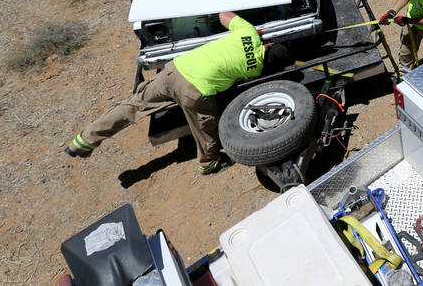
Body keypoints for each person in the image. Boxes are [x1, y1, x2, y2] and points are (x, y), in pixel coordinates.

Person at [65, 12, 286, 175]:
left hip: (175, 69)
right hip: (194, 91)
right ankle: (209, 163)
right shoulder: (254, 70)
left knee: (134, 104)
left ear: (270, 43)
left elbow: (224, 15)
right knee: (205, 127)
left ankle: (84, 140)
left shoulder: (248, 33)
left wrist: (250, 30)